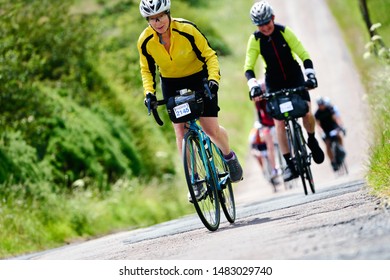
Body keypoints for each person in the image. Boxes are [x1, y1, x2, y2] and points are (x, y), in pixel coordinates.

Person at [137, 0, 243, 202]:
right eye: (152, 19)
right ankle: (194, 180)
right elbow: (147, 69)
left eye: (160, 16)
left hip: (199, 77)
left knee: (210, 129)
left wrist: (213, 80)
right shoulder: (145, 41)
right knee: (180, 129)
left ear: (168, 13)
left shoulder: (187, 29)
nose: (157, 22)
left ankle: (229, 157)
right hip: (170, 82)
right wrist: (149, 93)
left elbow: (210, 56)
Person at [243, 1, 324, 182]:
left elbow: (304, 55)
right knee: (279, 122)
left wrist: (310, 75)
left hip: (294, 76)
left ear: (273, 18)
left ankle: (311, 140)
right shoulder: (255, 39)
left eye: (267, 22)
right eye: (260, 24)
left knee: (306, 112)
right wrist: (253, 85)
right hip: (274, 81)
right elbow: (248, 67)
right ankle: (289, 163)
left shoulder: (283, 32)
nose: (265, 27)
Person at [314, 96, 346, 171]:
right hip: (326, 130)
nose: (321, 106)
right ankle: (332, 162)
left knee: (339, 136)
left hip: (333, 126)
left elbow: (336, 118)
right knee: (328, 145)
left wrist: (340, 127)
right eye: (319, 105)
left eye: (322, 104)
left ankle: (341, 149)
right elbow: (318, 126)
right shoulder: (317, 114)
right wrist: (321, 133)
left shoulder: (329, 108)